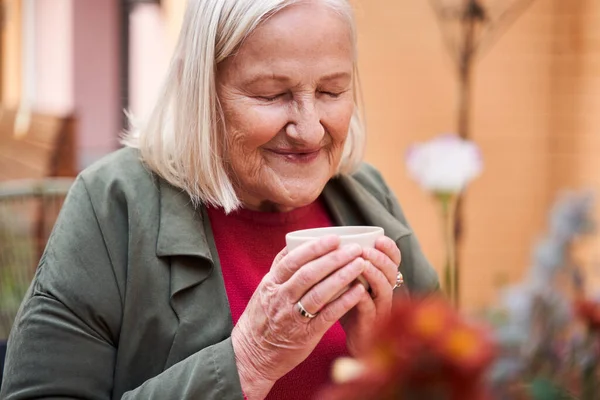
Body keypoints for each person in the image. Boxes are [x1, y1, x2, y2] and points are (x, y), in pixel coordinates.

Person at [0, 0, 439, 399]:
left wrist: (388, 370)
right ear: (201, 93)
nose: (309, 130)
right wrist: (247, 360)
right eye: (271, 94)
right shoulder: (113, 206)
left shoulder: (367, 197)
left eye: (331, 91)